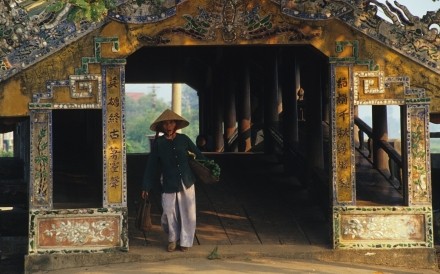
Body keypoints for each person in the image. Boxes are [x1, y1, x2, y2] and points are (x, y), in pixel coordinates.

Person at [141, 109, 205, 252]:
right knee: (168, 212)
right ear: (162, 126)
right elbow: (151, 165)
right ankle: (172, 238)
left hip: (186, 180)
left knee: (188, 212)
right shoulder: (159, 143)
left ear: (176, 124)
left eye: (171, 123)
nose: (168, 126)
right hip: (168, 182)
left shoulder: (184, 139)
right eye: (165, 123)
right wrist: (146, 186)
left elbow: (199, 155)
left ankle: (185, 242)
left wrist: (211, 169)